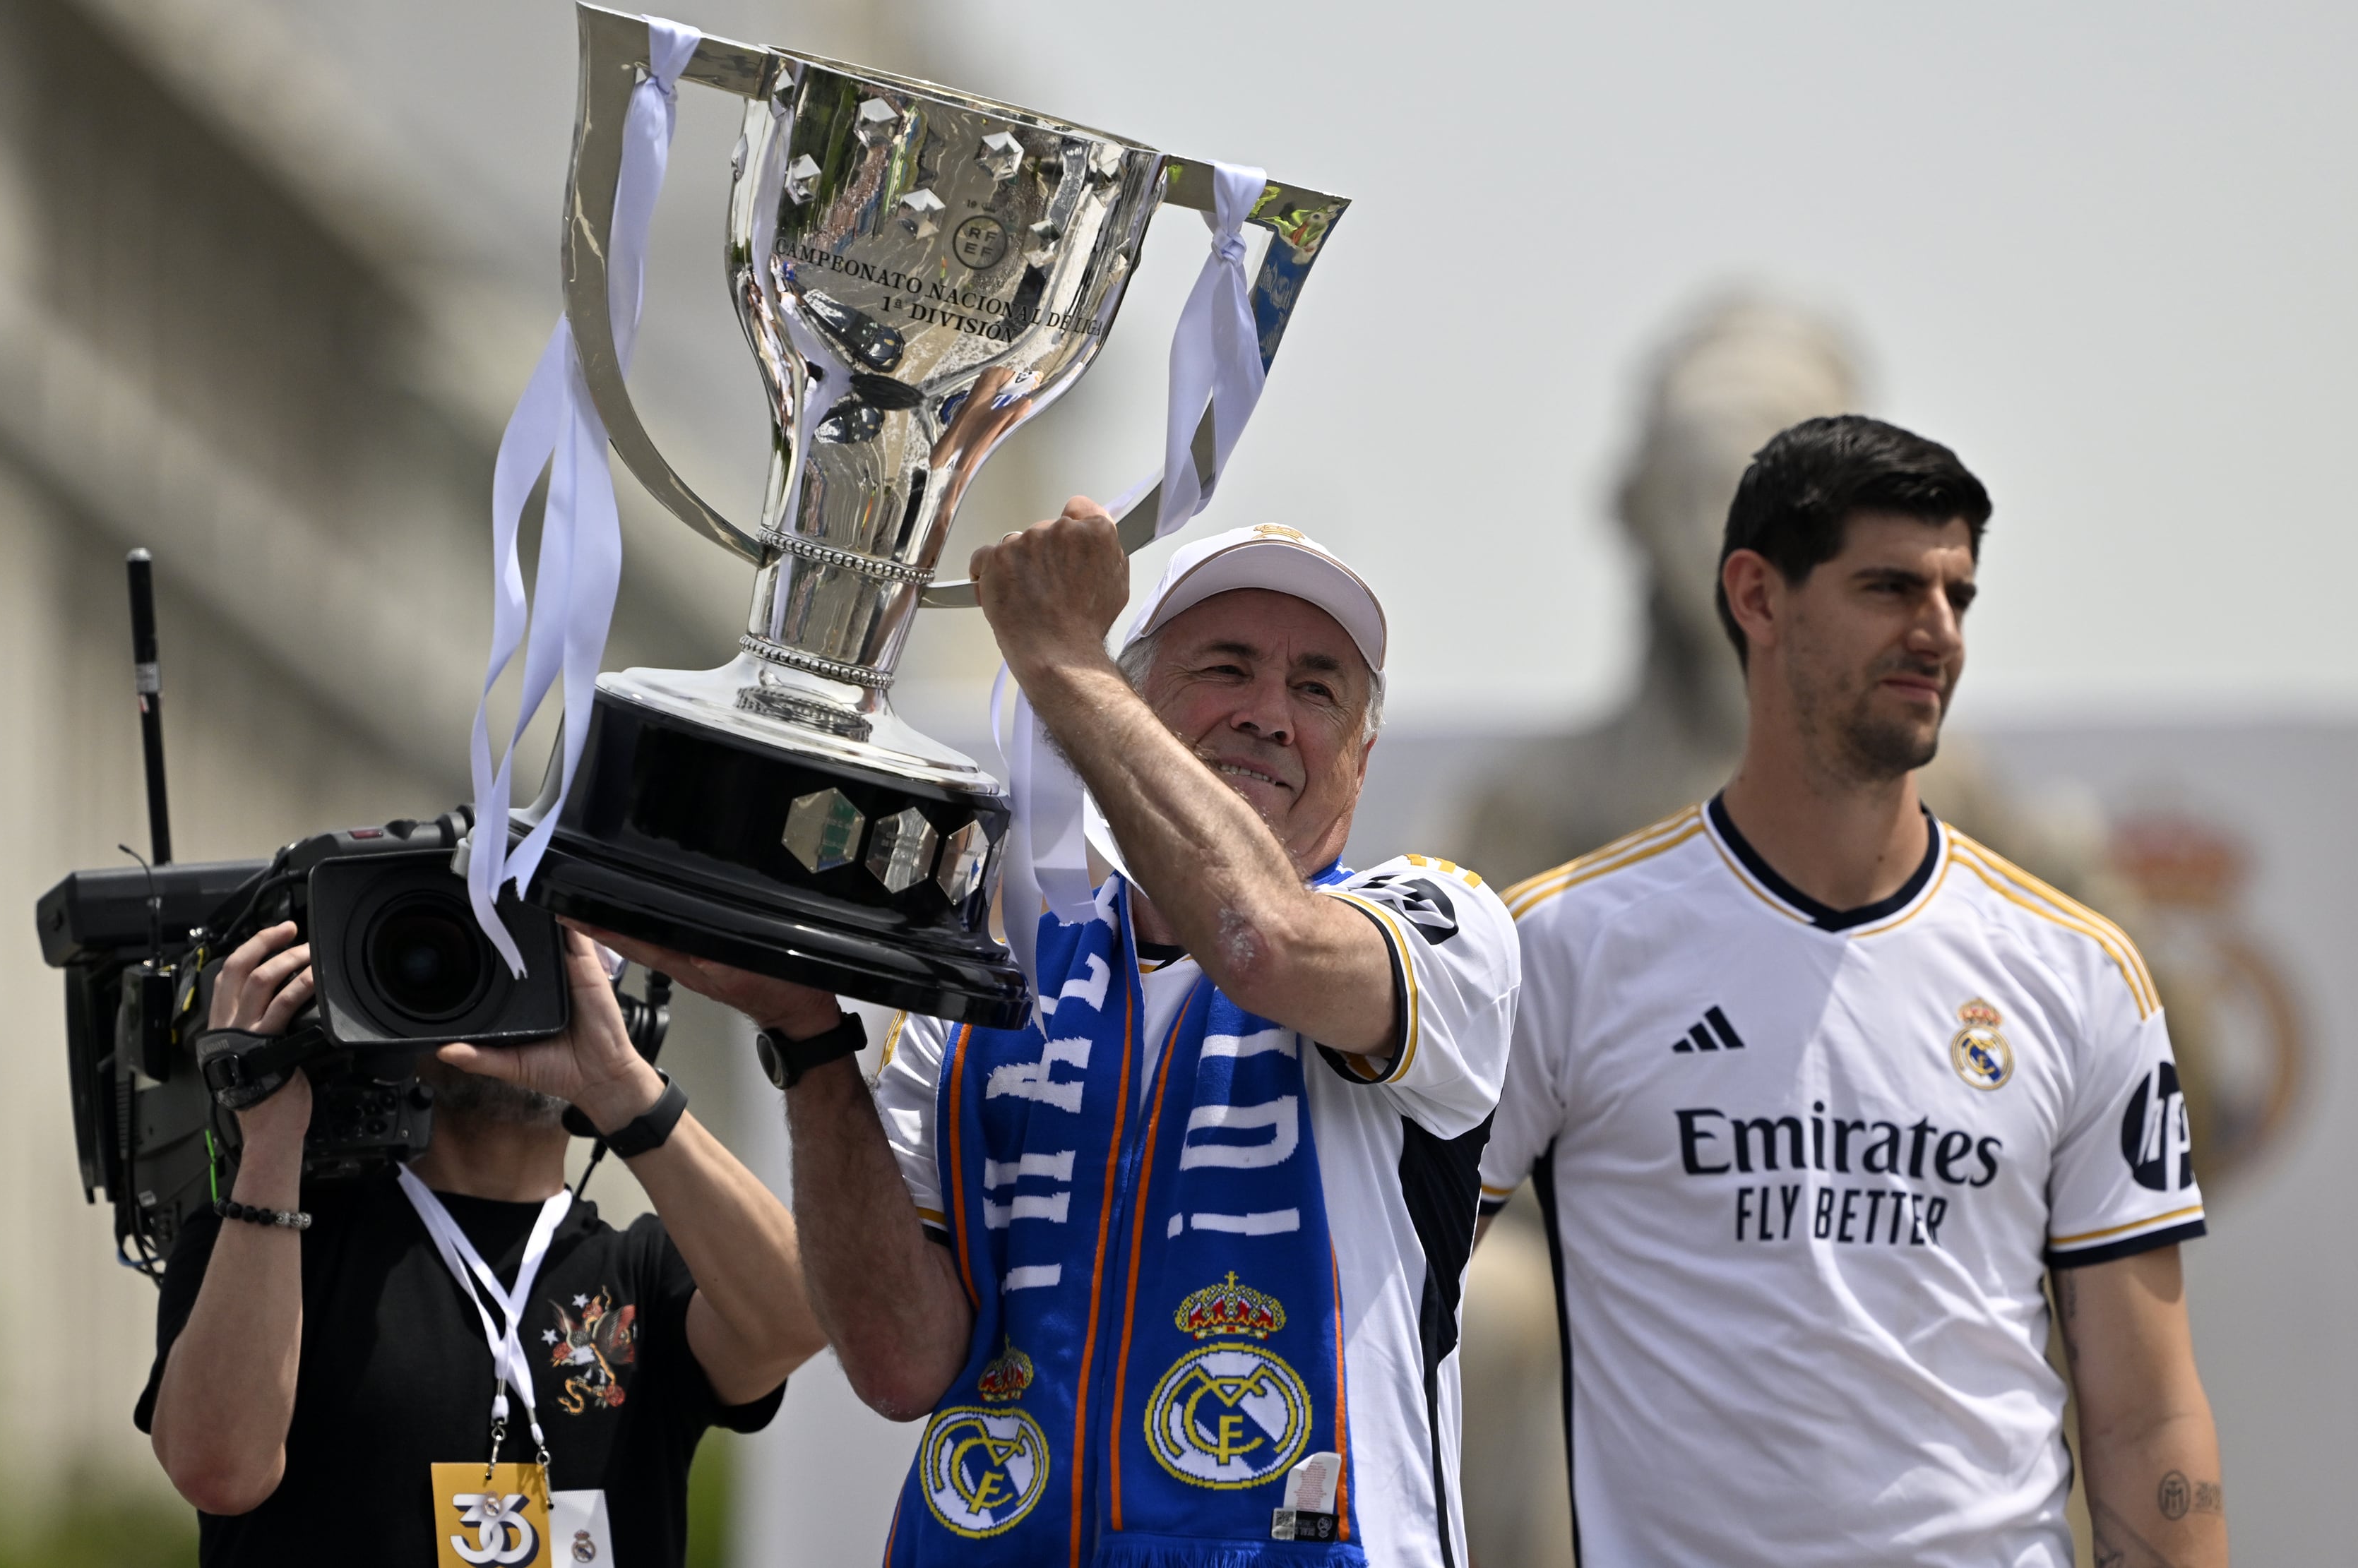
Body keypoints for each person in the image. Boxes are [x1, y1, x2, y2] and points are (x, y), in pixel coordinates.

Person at [593, 503, 1521, 1565]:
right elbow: (900, 1363)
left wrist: (1060, 658)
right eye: (1226, 667)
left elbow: (1261, 942)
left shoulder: (1436, 925)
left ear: (1359, 763)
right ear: (1138, 706)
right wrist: (807, 1037)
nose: (1271, 712)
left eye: (1318, 688)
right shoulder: (994, 972)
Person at [1477, 415, 2225, 1566]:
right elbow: (1394, 1300)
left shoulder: (2080, 969)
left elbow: (2149, 1414)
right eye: (1888, 587)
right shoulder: (1564, 943)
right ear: (1757, 597)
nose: (1936, 632)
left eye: (1958, 595)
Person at [139, 920, 823, 1567]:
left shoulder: (643, 1273)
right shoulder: (275, 1234)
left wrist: (622, 1087)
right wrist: (270, 1139)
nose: (507, 996)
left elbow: (800, 1318)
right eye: (469, 962)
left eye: (543, 965)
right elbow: (217, 1470)